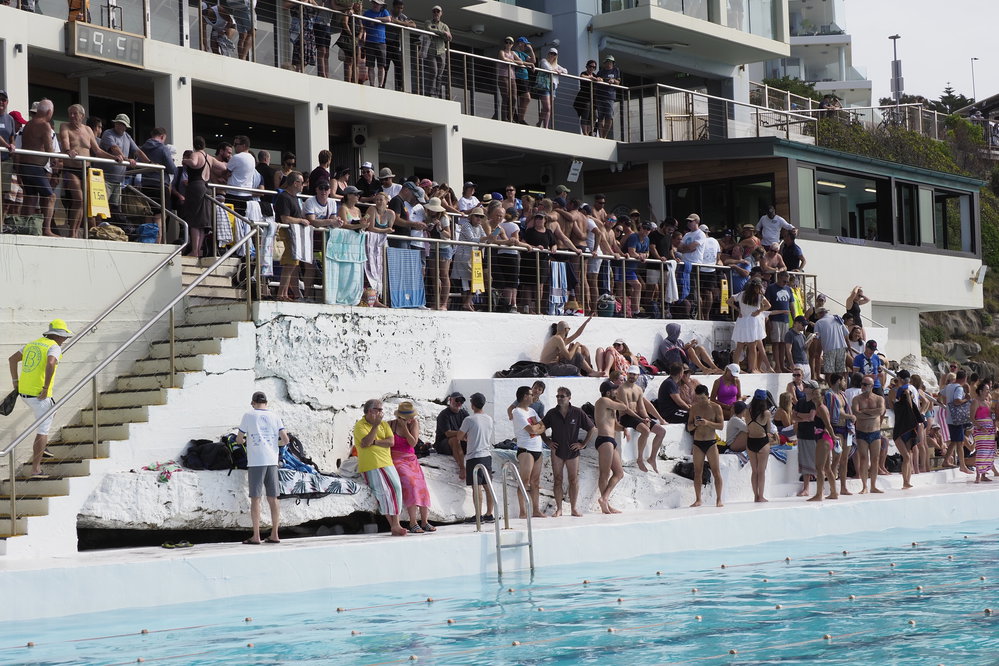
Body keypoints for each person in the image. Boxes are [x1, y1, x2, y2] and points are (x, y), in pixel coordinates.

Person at [8, 319, 74, 479]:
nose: (65, 340)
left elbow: (12, 359)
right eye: (64, 337)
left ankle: (42, 448)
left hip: (24, 392)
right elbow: (51, 363)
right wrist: (45, 388)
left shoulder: (32, 344)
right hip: (39, 395)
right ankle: (36, 469)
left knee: (52, 409)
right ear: (58, 336)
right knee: (42, 431)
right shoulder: (54, 347)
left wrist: (15, 381)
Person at [58, 103, 121, 238]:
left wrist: (114, 157)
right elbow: (65, 142)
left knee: (85, 202)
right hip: (71, 169)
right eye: (70, 114)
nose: (72, 116)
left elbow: (97, 150)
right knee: (79, 199)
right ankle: (72, 233)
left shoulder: (87, 130)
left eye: (75, 113)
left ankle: (76, 232)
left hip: (86, 169)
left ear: (82, 115)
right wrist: (69, 150)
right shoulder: (64, 126)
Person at [236, 391, 289, 544]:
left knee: (256, 498)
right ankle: (275, 534)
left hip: (256, 461)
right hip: (272, 460)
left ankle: (256, 536)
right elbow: (286, 440)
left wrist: (246, 441)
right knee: (273, 498)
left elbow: (239, 439)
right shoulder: (275, 416)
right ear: (266, 403)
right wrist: (273, 444)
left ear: (253, 403)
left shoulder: (248, 415)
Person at [353, 398, 407, 536]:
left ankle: (395, 525)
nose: (381, 412)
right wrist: (375, 426)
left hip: (386, 462)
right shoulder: (360, 425)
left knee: (396, 489)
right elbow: (366, 442)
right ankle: (395, 525)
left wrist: (375, 441)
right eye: (379, 409)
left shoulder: (384, 424)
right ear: (370, 411)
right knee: (383, 493)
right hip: (372, 464)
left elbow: (391, 442)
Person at [542, 387, 596, 517]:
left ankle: (573, 508)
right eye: (558, 396)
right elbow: (541, 427)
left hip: (572, 451)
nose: (559, 398)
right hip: (557, 450)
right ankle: (559, 509)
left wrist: (583, 444)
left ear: (569, 398)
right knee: (558, 479)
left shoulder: (577, 412)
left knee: (573, 479)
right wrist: (547, 441)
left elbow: (591, 428)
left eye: (562, 396)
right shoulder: (552, 413)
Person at [388, 401, 435, 533]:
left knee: (422, 486)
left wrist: (405, 428)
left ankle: (424, 521)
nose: (411, 419)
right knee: (411, 484)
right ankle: (413, 521)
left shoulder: (414, 423)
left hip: (410, 459)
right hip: (397, 459)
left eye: (411, 417)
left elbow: (413, 443)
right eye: (408, 418)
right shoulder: (390, 425)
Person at [593, 380, 636, 514]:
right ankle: (605, 504)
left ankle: (604, 499)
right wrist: (617, 398)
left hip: (611, 440)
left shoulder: (610, 406)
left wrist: (624, 429)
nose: (616, 392)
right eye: (614, 390)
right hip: (604, 439)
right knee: (604, 474)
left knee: (619, 473)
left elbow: (615, 425)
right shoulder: (603, 401)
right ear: (607, 392)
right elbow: (624, 407)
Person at [618, 365, 666, 472]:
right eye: (630, 374)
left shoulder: (638, 389)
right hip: (626, 417)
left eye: (634, 374)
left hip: (637, 416)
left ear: (638, 376)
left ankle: (652, 458)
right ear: (627, 374)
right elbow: (626, 409)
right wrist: (641, 418)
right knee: (646, 430)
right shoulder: (622, 389)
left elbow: (641, 407)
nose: (632, 376)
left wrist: (646, 417)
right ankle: (639, 459)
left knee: (661, 431)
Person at [795, 380, 837, 501]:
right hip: (823, 438)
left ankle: (819, 494)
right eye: (813, 395)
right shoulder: (819, 407)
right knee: (827, 468)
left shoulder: (821, 408)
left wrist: (833, 436)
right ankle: (834, 492)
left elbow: (828, 425)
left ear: (822, 397)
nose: (814, 397)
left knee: (819, 468)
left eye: (816, 395)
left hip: (823, 439)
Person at [456, 392, 495, 521]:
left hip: (474, 456)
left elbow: (459, 436)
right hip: (487, 455)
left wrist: (467, 437)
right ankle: (489, 513)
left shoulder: (469, 420)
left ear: (472, 405)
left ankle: (478, 515)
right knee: (487, 485)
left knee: (476, 486)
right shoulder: (489, 419)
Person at [511, 385, 546, 519]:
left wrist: (536, 428)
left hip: (537, 448)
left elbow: (543, 426)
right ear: (525, 396)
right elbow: (531, 429)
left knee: (535, 481)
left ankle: (536, 510)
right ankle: (523, 511)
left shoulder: (532, 410)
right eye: (531, 394)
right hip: (526, 449)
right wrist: (536, 428)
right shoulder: (517, 412)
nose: (533, 396)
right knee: (524, 481)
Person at [687, 384, 724, 508]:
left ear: (708, 396)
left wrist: (707, 423)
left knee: (716, 471)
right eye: (698, 398)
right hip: (698, 443)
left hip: (711, 442)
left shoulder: (716, 407)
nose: (701, 401)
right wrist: (696, 424)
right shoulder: (694, 408)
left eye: (703, 398)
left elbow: (721, 426)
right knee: (698, 472)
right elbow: (689, 427)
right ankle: (698, 499)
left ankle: (719, 499)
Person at [824, 372, 856, 496]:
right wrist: (850, 416)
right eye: (843, 380)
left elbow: (846, 409)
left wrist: (850, 417)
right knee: (836, 459)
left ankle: (843, 487)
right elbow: (835, 412)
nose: (845, 383)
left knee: (844, 460)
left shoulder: (842, 394)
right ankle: (832, 489)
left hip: (846, 428)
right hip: (836, 428)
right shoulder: (829, 395)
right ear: (838, 381)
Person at [851, 376, 885, 494]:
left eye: (865, 384)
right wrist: (872, 414)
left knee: (875, 459)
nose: (863, 386)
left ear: (872, 386)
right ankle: (864, 486)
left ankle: (873, 486)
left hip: (875, 432)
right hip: (862, 432)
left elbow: (881, 411)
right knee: (864, 458)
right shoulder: (857, 399)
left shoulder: (879, 398)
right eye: (862, 384)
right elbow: (856, 413)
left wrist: (864, 411)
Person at [729, 278, 771, 373]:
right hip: (752, 322)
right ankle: (752, 369)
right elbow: (768, 305)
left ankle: (736, 368)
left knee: (739, 346)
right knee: (752, 347)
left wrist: (738, 309)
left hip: (742, 321)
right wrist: (759, 311)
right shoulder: (759, 296)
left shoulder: (741, 294)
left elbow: (729, 301)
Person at [941, 369, 972, 473]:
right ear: (965, 378)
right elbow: (957, 401)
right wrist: (966, 399)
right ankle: (963, 466)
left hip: (950, 417)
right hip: (957, 419)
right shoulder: (959, 388)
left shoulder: (949, 386)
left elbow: (940, 393)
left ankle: (946, 461)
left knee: (954, 440)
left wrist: (943, 404)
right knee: (960, 442)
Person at [746, 389, 774, 502]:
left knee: (754, 471)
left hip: (750, 441)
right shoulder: (766, 413)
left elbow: (747, 427)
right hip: (762, 442)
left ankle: (755, 496)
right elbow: (768, 429)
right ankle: (761, 496)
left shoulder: (747, 411)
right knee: (761, 471)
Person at [765, 272, 793, 372]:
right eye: (784, 281)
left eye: (787, 281)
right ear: (779, 277)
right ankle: (777, 366)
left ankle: (782, 365)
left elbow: (791, 305)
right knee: (776, 342)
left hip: (785, 319)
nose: (785, 283)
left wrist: (794, 318)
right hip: (774, 318)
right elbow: (767, 304)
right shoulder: (771, 288)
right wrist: (768, 319)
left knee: (783, 343)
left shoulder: (788, 289)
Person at [423, 5, 451, 98]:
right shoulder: (428, 22)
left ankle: (437, 93)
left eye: (437, 11)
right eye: (434, 11)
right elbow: (429, 29)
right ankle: (430, 93)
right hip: (431, 51)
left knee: (439, 75)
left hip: (441, 52)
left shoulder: (444, 26)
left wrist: (441, 33)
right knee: (434, 72)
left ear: (441, 13)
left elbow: (449, 38)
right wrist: (442, 33)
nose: (436, 13)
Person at [970, 383, 995, 484]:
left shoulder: (987, 402)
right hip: (980, 430)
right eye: (986, 389)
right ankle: (978, 475)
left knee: (988, 451)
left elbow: (990, 415)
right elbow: (972, 418)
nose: (988, 391)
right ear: (980, 391)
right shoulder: (975, 402)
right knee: (981, 451)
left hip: (989, 430)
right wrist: (980, 427)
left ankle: (984, 474)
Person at [595, 55, 621, 139]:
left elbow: (618, 82)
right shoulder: (600, 72)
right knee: (600, 117)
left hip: (610, 96)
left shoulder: (616, 70)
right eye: (607, 62)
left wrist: (613, 81)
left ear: (613, 63)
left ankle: (604, 136)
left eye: (610, 62)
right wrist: (599, 79)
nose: (608, 63)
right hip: (600, 96)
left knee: (609, 117)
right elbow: (596, 80)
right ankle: (601, 136)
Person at [785, 316, 810, 380]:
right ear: (796, 323)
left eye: (805, 325)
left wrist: (810, 341)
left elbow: (805, 349)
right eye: (803, 324)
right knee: (797, 383)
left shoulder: (802, 336)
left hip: (805, 363)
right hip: (797, 363)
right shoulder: (790, 334)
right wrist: (792, 364)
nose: (804, 326)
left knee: (806, 384)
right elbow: (788, 350)